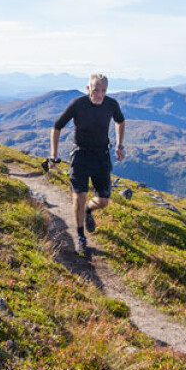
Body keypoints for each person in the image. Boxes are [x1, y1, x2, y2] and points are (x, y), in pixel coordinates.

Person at [48, 73, 126, 257]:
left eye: (103, 91)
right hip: (81, 156)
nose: (99, 94)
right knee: (79, 196)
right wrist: (53, 155)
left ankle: (88, 210)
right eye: (96, 90)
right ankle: (80, 236)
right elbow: (56, 127)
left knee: (103, 201)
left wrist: (120, 145)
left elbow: (120, 121)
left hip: (102, 157)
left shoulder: (111, 104)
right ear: (88, 88)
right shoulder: (78, 104)